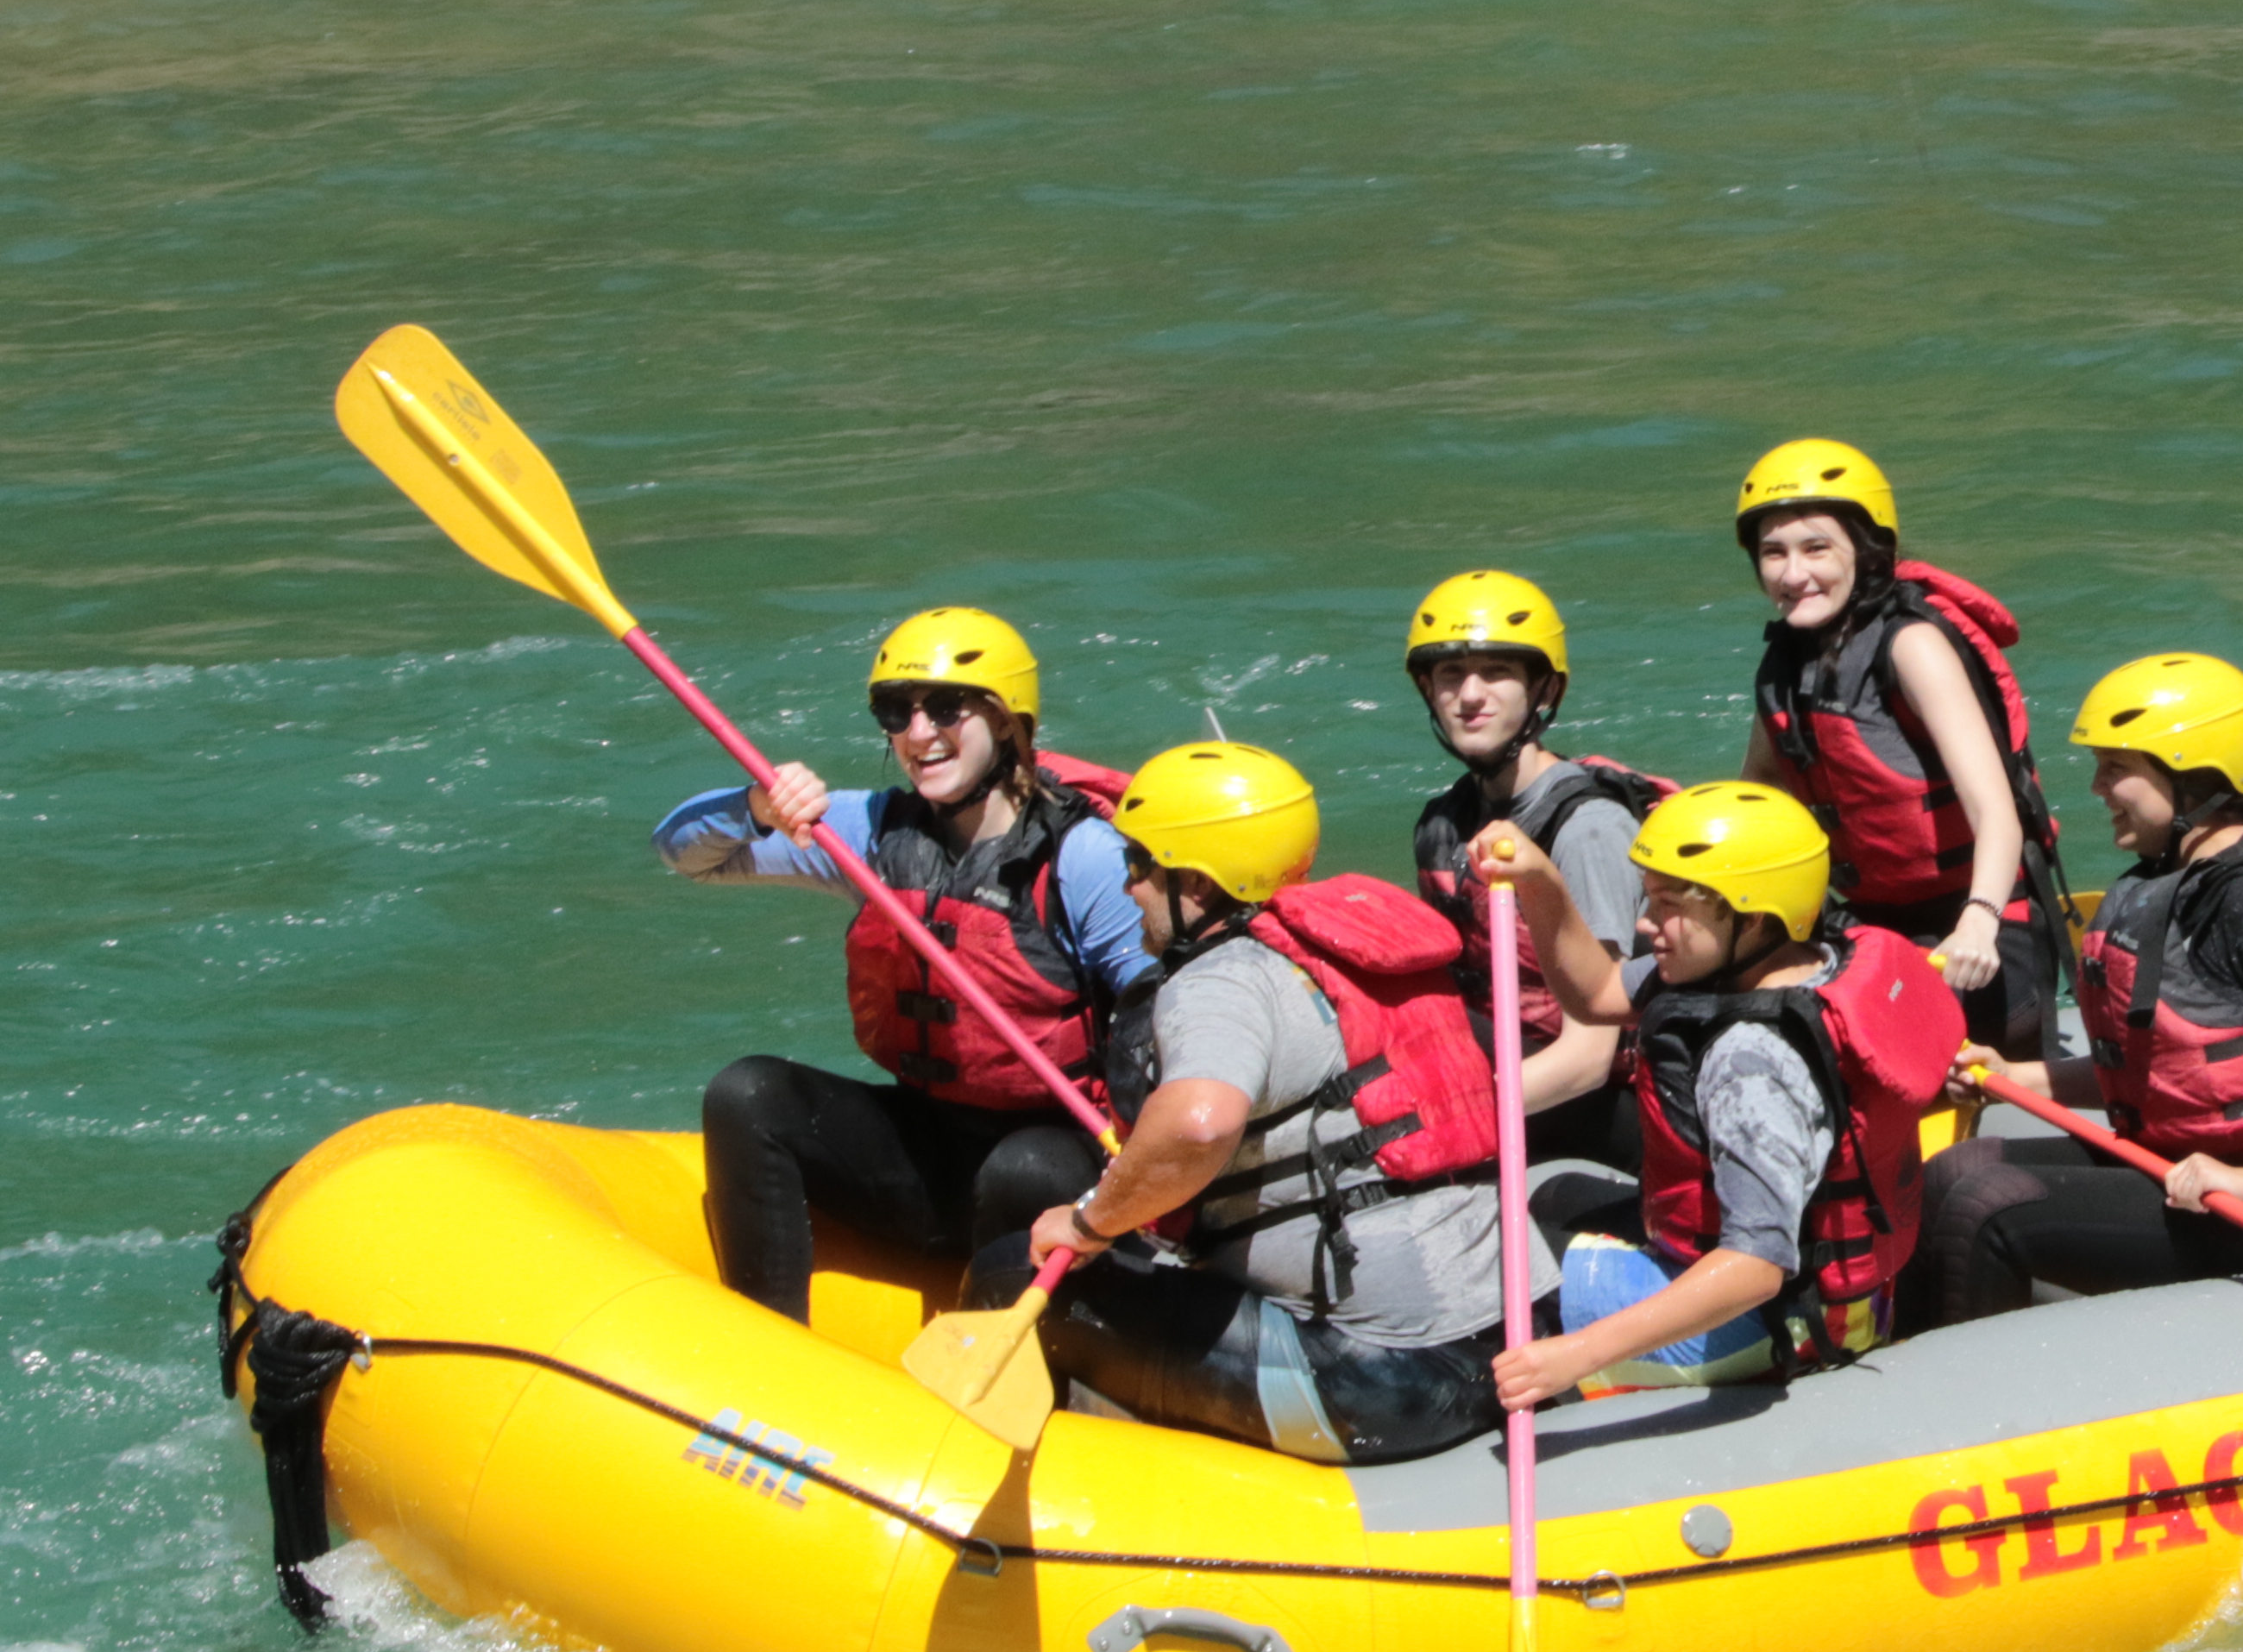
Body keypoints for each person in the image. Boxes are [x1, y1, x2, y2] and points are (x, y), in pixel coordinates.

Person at [1004, 741, 1532, 1464]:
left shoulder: (1222, 979)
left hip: (1385, 1383)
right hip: (1518, 1336)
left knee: (1013, 1270)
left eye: (1137, 862)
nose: (1127, 886)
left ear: (1194, 880)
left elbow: (1200, 1123)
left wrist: (1089, 1222)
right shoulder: (1359, 941)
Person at [657, 607, 1149, 1322]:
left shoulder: (1083, 858)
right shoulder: (872, 830)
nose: (918, 735)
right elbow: (689, 855)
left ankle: (996, 1358)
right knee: (747, 1094)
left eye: (946, 708)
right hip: (928, 1154)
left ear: (1009, 719)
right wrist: (757, 807)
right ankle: (770, 1350)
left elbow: (1155, 1025)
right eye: (896, 711)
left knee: (1026, 1164)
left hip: (1057, 1166)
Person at [1919, 652, 2243, 1319]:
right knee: (1955, 1171)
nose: (2097, 788)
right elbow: (2171, 1076)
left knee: (1987, 1211)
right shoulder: (2172, 881)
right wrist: (2015, 1072)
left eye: (2117, 769)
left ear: (2192, 775)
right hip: (2186, 1169)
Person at [1476, 782, 1964, 1402]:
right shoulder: (1798, 956)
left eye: (1668, 905)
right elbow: (1597, 993)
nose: (1643, 923)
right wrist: (1539, 880)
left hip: (1777, 1322)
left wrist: (1571, 1357)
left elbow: (1757, 1267)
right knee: (1555, 1200)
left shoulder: (1750, 1062)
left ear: (1752, 916)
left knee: (1489, 1268)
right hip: (1815, 1285)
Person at [1734, 437, 2068, 1059]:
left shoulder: (1911, 646)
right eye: (1773, 552)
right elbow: (1761, 790)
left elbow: (1996, 812)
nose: (1792, 573)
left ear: (1868, 551)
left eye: (1816, 549)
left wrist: (1980, 918)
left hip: (1981, 934)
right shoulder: (1784, 663)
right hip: (1871, 927)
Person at [1401, 568, 1668, 1169]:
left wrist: (1446, 1119)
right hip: (1511, 1065)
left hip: (1601, 1101)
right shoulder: (1444, 821)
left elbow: (1590, 1057)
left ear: (1542, 690)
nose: (1471, 695)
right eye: (1450, 675)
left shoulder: (1587, 828)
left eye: (1497, 673)